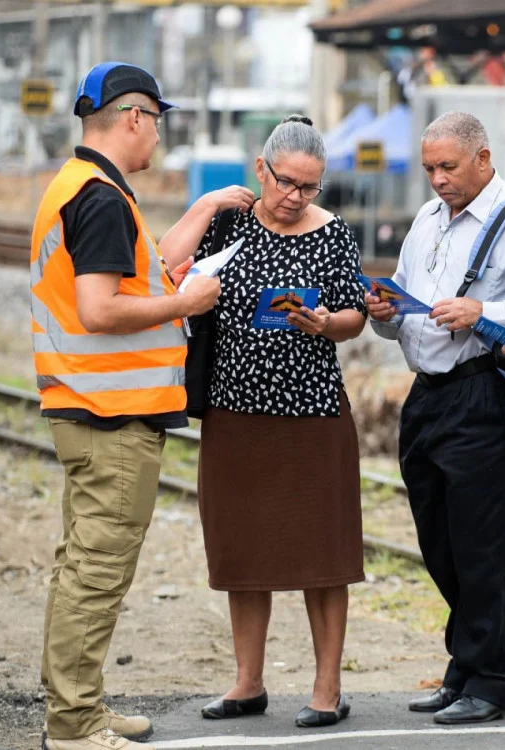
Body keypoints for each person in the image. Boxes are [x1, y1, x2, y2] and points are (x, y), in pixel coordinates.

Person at [33, 62, 222, 750]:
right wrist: (188, 303)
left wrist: (201, 213)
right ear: (136, 116)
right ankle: (75, 725)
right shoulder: (103, 198)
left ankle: (79, 706)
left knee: (82, 567)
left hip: (87, 409)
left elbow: (138, 275)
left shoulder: (83, 186)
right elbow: (101, 308)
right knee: (95, 573)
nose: (159, 138)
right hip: (110, 417)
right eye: (159, 122)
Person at [157, 115, 367, 729]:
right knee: (242, 551)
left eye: (309, 187)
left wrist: (328, 323)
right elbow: (167, 262)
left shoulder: (333, 236)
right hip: (234, 412)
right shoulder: (226, 221)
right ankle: (248, 683)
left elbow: (355, 315)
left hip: (313, 414)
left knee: (323, 557)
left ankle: (327, 688)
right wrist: (206, 200)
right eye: (286, 183)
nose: (295, 197)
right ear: (261, 169)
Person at [366, 112, 505, 725]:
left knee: (481, 543)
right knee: (438, 538)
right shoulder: (426, 220)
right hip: (425, 394)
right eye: (429, 168)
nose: (438, 180)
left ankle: (491, 680)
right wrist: (383, 309)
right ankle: (466, 665)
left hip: (484, 394)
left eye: (448, 167)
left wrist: (486, 310)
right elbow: (401, 298)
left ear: (482, 158)